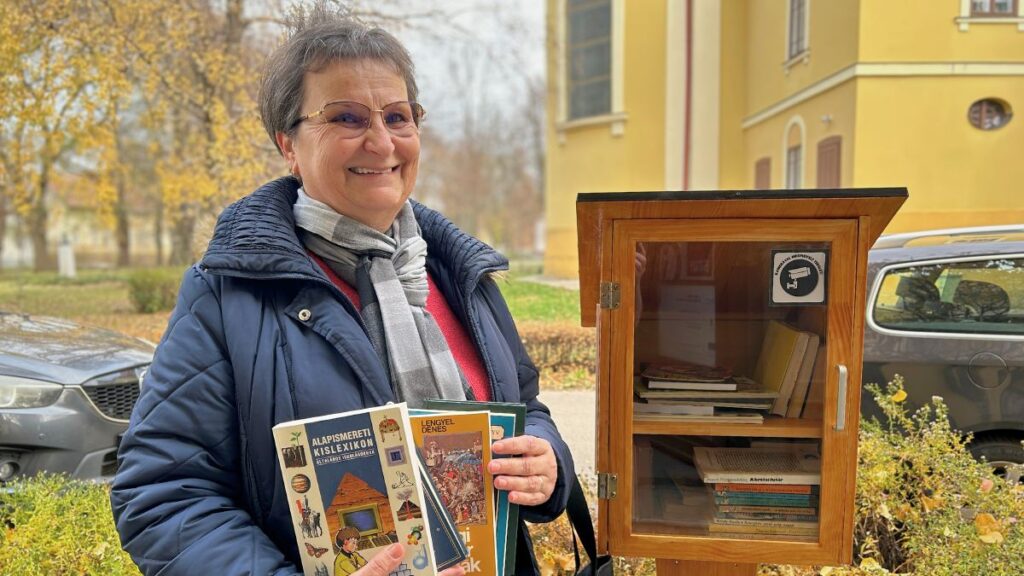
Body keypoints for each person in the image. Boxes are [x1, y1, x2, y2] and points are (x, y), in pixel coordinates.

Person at [110, 9, 574, 576]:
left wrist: (548, 463)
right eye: (346, 117)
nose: (381, 142)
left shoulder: (458, 273)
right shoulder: (227, 297)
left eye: (398, 117)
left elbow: (527, 408)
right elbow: (163, 495)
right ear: (289, 146)